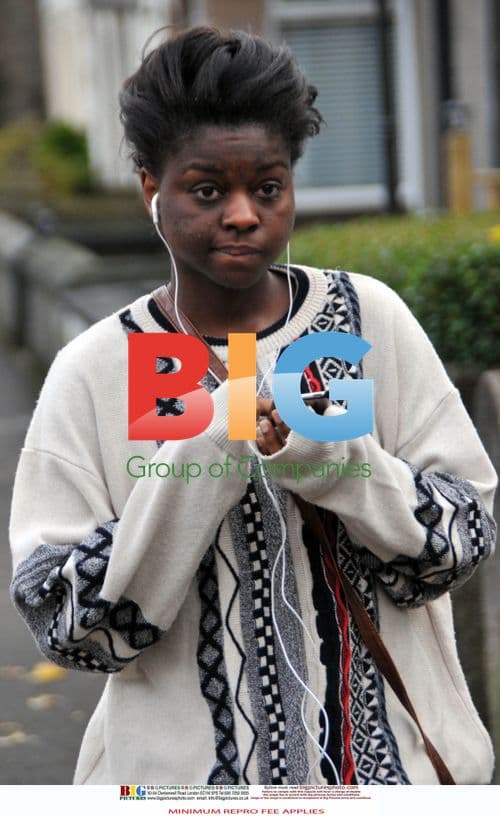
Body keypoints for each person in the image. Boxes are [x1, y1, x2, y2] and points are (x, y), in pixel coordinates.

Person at [9, 26, 497, 786]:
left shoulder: (366, 323)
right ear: (151, 188)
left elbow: (463, 536)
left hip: (391, 780)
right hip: (175, 791)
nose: (242, 213)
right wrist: (207, 449)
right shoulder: (98, 369)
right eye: (208, 190)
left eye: (267, 187)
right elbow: (66, 624)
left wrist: (330, 459)